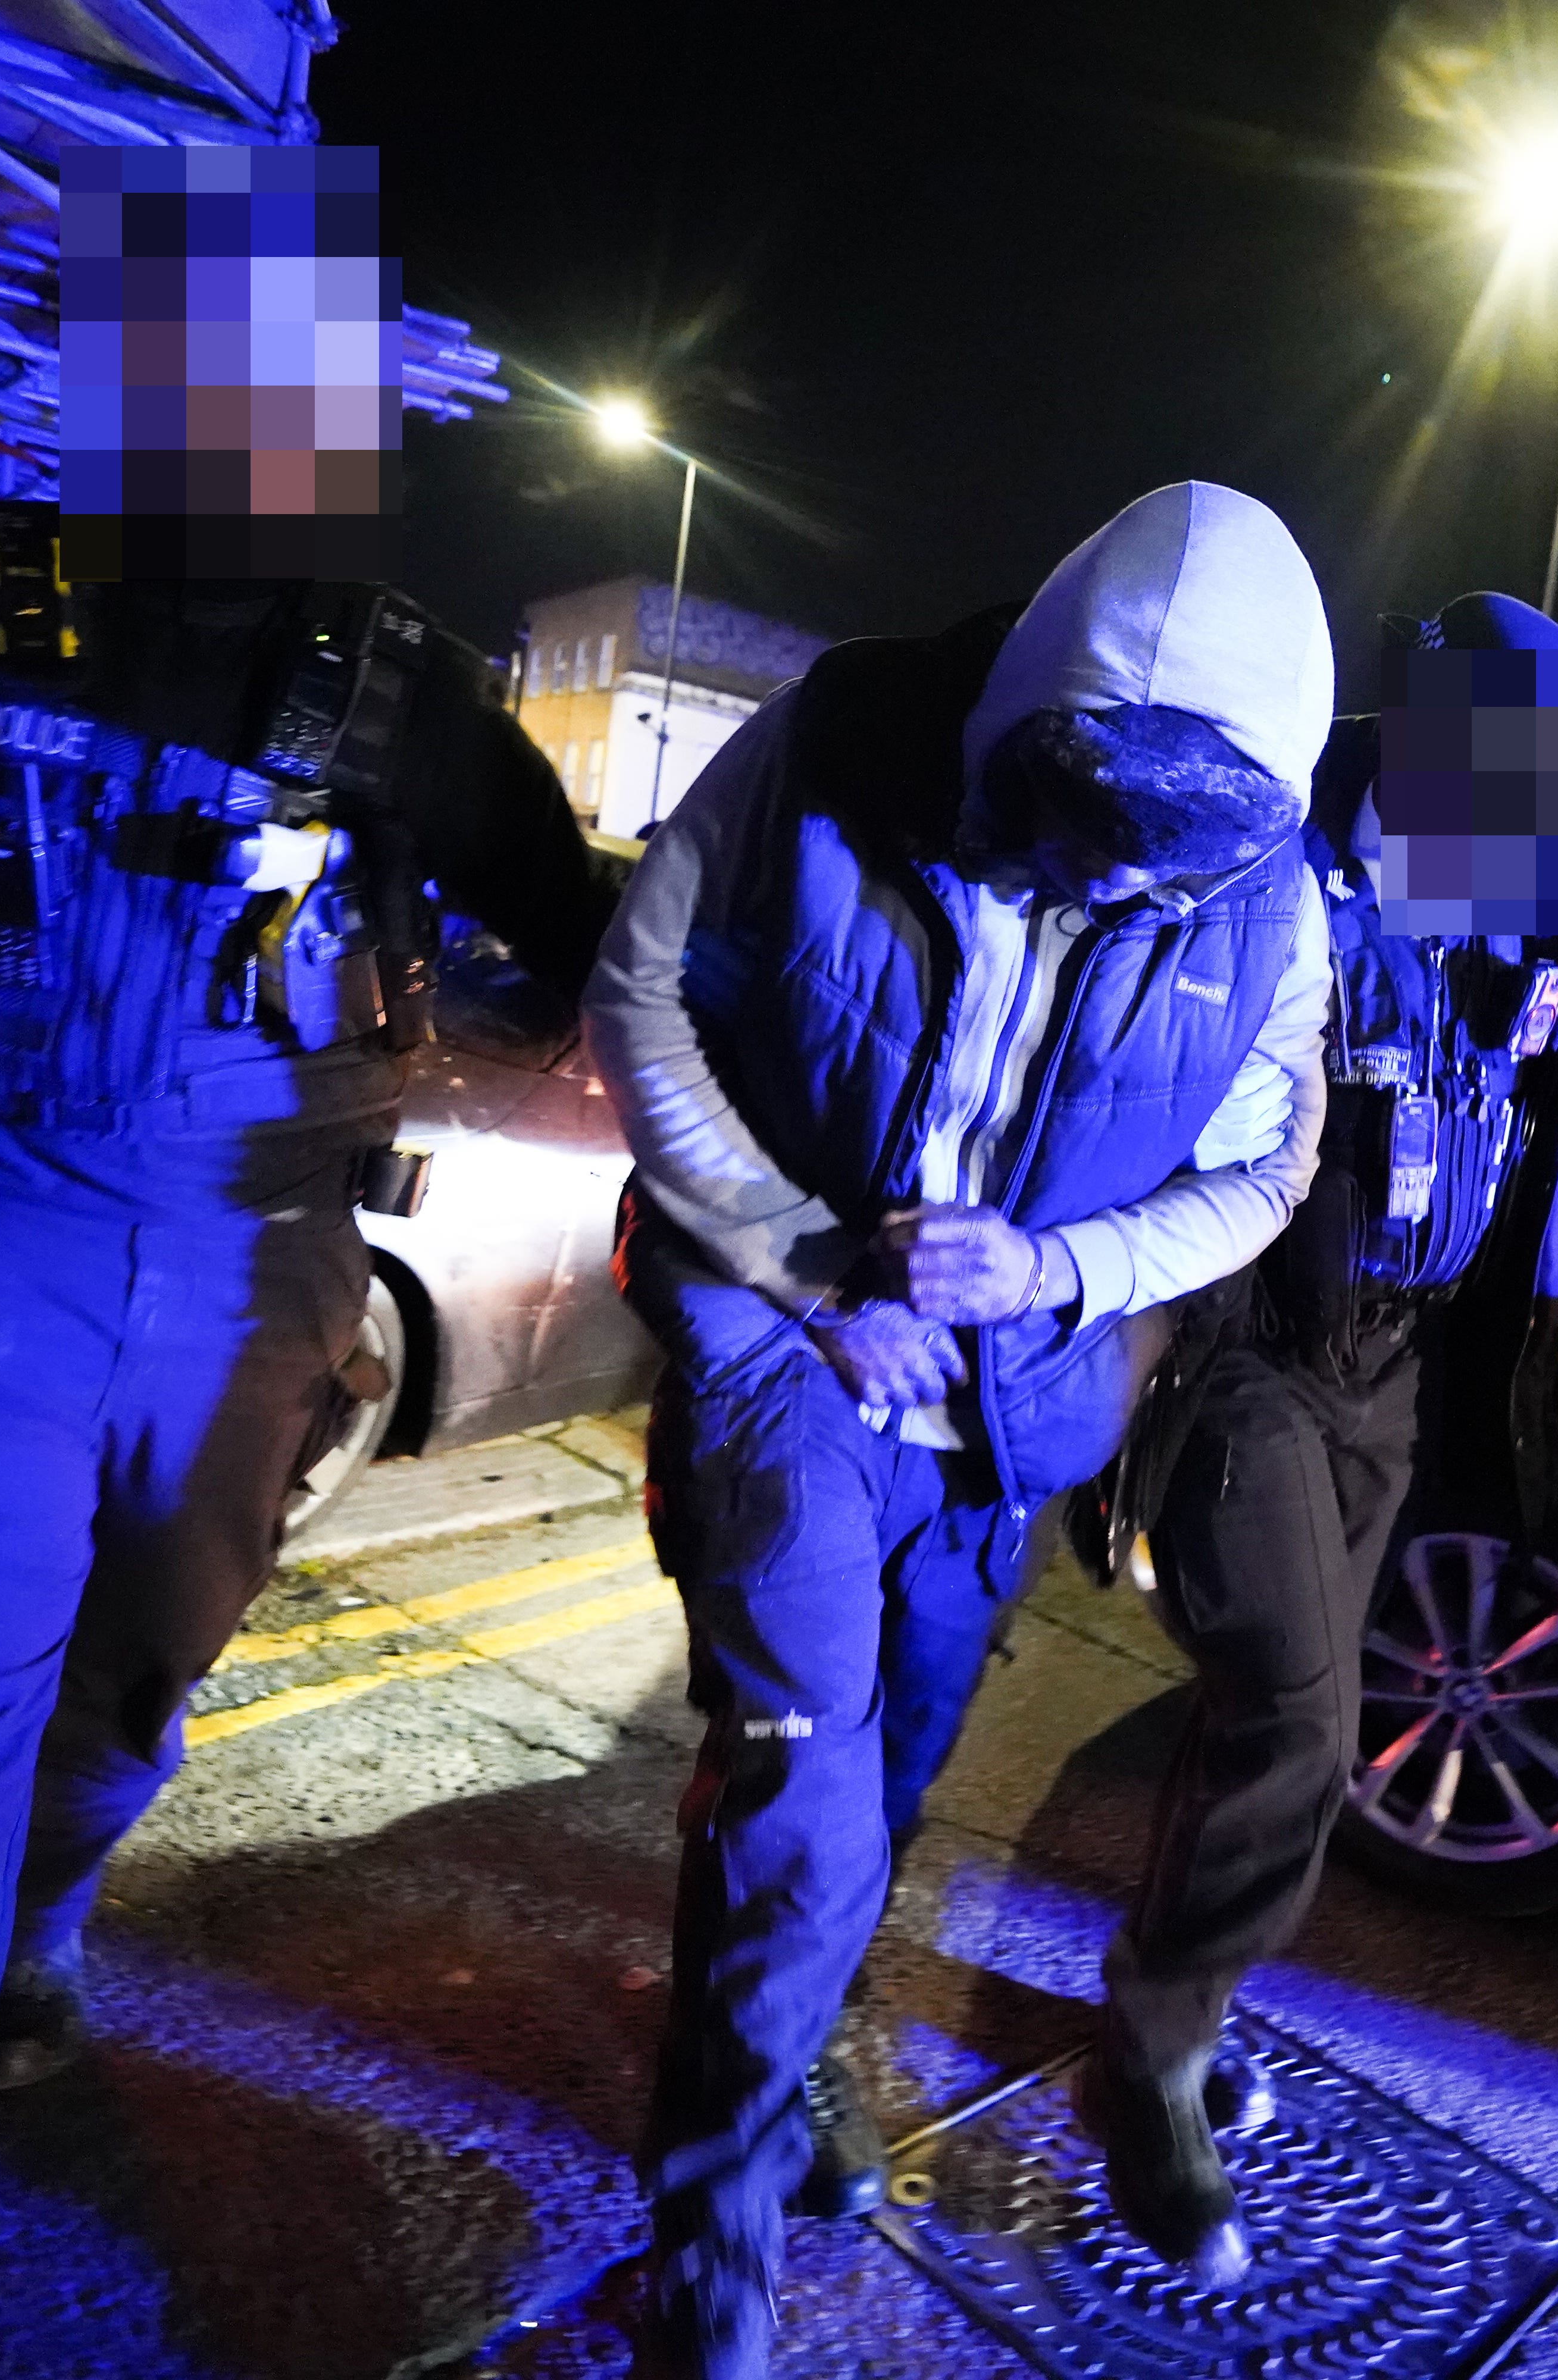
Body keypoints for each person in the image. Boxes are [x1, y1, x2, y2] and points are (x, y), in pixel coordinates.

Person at [0, 504, 604, 2380]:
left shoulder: (395, 672)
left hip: (246, 1249)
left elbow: (588, 934)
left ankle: (34, 1916)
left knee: (128, 1700)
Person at [581, 481, 1336, 2377]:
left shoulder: (1278, 903)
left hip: (1009, 1419)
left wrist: (1065, 1270)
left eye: (1167, 889)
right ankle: (717, 2235)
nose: (1116, 902)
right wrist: (798, 1256)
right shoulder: (835, 739)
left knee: (884, 1790)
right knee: (805, 1810)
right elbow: (641, 988)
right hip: (787, 1352)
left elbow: (1270, 1162)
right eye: (1079, 854)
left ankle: (776, 2054)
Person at [1078, 593, 1558, 2284]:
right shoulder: (1302, 902)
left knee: (1285, 1731)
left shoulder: (1545, 950)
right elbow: (1146, 1082)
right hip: (1250, 1356)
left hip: (1400, 1378)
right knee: (1295, 1709)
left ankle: (1170, 2002)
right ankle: (1156, 2058)